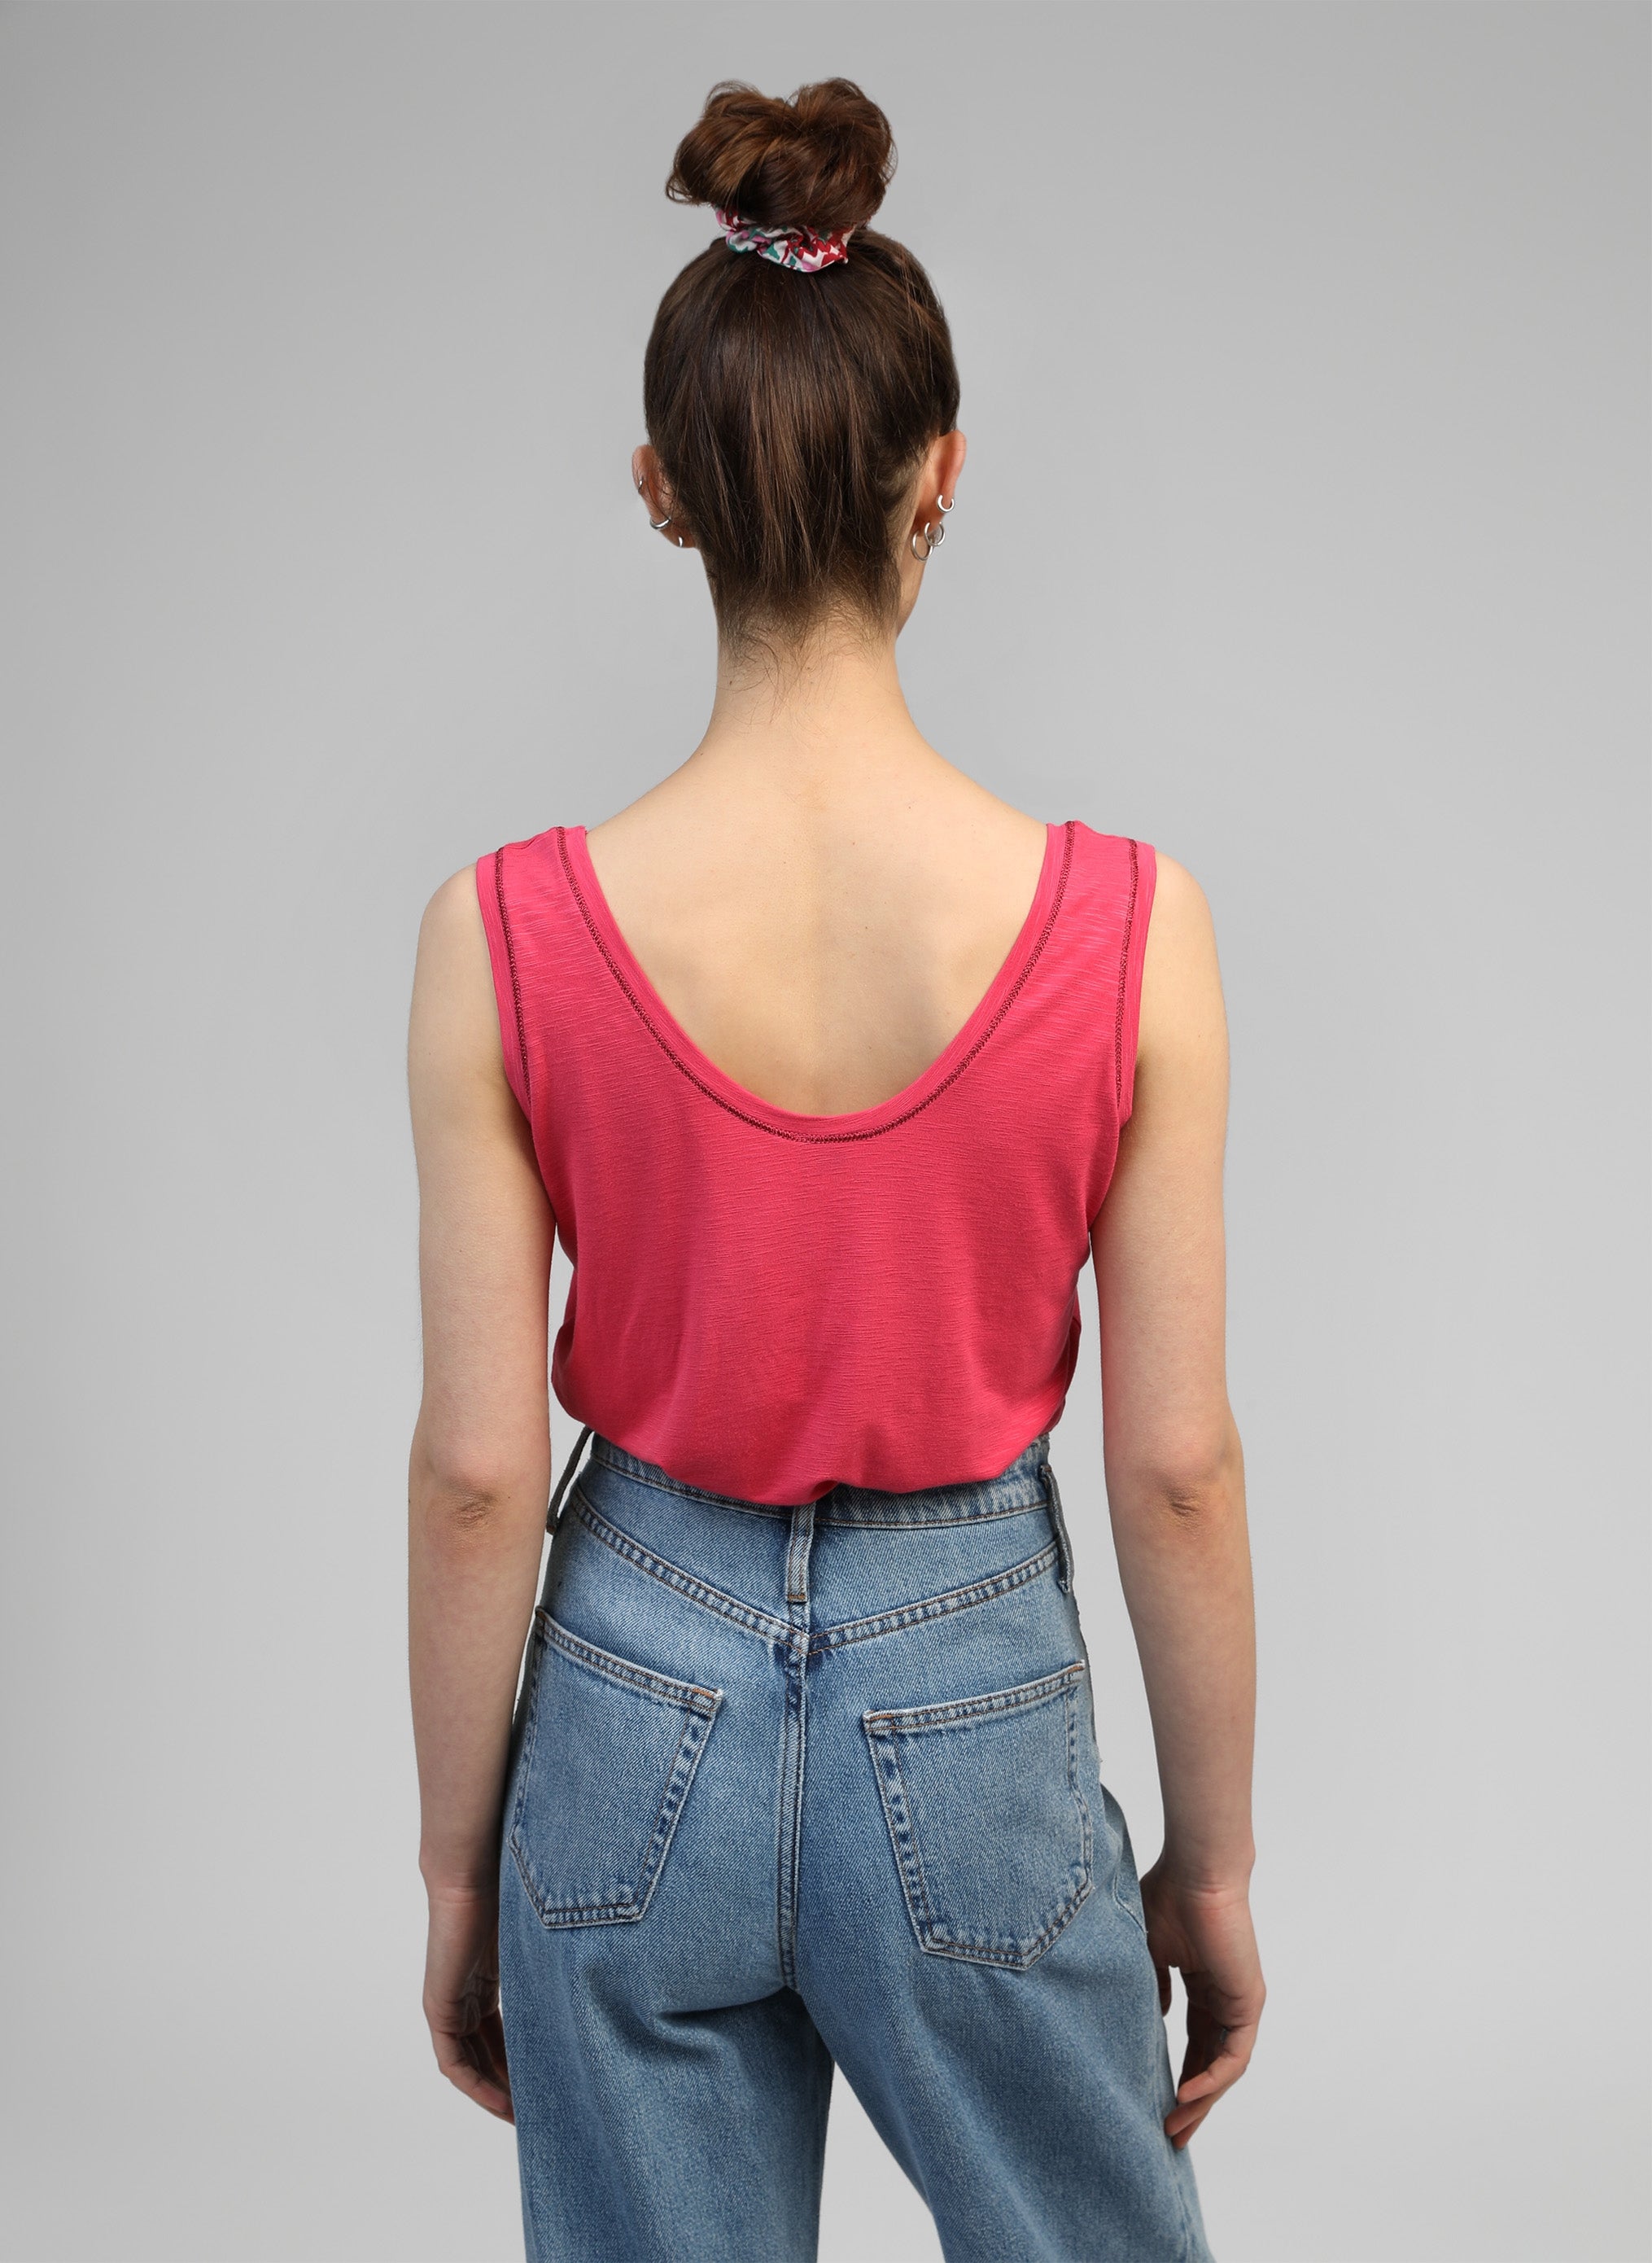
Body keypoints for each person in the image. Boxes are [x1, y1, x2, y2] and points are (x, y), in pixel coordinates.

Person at [406, 76, 1262, 2263]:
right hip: (968, 1687)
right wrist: (1217, 1859)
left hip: (627, 1689)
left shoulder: (500, 934)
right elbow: (1176, 1466)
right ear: (940, 478)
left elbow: (481, 1474)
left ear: (661, 489)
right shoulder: (1131, 930)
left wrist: (459, 1865)